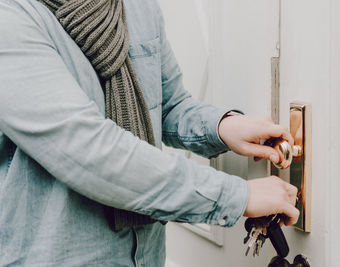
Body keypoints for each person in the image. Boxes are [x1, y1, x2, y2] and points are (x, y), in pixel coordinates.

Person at [0, 0, 299, 266]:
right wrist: (236, 196)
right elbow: (93, 153)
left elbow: (167, 105)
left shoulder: (138, 7)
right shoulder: (10, 18)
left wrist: (222, 127)